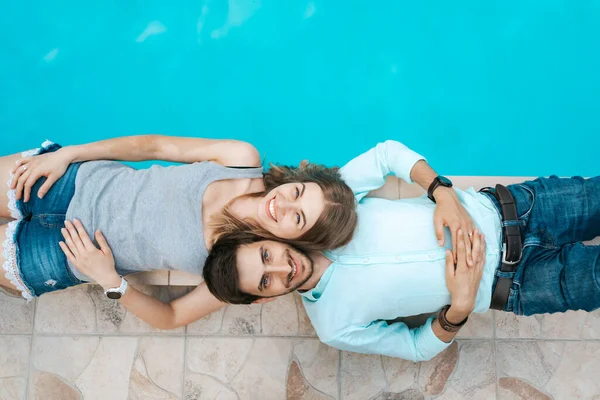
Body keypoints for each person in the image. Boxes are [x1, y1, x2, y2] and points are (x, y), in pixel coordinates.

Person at [201, 141, 600, 361]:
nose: (280, 269)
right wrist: (458, 309)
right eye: (265, 281)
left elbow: (387, 154)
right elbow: (415, 347)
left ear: (265, 239)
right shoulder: (333, 327)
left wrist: (442, 193)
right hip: (521, 286)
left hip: (517, 207)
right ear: (262, 299)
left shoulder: (326, 209)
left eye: (266, 256)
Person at [0, 135, 357, 329]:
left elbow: (172, 318)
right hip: (71, 182)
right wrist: (70, 154)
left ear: (299, 238)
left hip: (60, 255)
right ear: (298, 181)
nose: (283, 205)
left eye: (298, 219)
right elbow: (153, 147)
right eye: (297, 193)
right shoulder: (241, 158)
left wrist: (112, 283)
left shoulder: (246, 261)